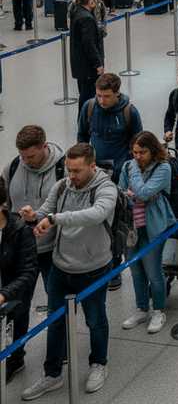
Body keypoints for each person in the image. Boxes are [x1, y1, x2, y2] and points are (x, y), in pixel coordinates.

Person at [21, 143, 118, 399]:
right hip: (60, 266)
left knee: (95, 320)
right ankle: (52, 374)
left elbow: (96, 215)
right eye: (69, 170)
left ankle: (99, 364)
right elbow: (46, 211)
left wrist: (55, 218)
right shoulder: (62, 185)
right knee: (55, 321)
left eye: (77, 170)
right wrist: (34, 216)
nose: (72, 176)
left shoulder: (106, 188)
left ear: (92, 166)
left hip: (94, 268)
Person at [118, 132, 175, 336]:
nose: (137, 157)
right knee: (136, 270)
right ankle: (142, 308)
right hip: (131, 227)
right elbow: (120, 193)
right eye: (134, 152)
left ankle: (158, 310)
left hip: (153, 226)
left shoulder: (163, 168)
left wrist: (135, 185)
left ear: (153, 151)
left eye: (142, 152)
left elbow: (142, 193)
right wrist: (134, 193)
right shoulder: (127, 166)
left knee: (153, 271)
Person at [3, 126, 65, 301]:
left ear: (44, 146)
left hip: (51, 250)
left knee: (56, 301)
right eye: (23, 156)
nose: (26, 161)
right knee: (17, 303)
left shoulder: (62, 168)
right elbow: (4, 201)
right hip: (19, 247)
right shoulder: (13, 166)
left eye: (31, 156)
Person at [0, 175, 39, 381]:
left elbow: (28, 272)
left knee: (13, 334)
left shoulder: (20, 231)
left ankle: (15, 359)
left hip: (11, 299)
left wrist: (4, 295)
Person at [77, 72, 143, 182]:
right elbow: (82, 136)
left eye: (107, 96)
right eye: (99, 95)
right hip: (96, 172)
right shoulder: (89, 107)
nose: (102, 101)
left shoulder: (130, 112)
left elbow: (138, 144)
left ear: (117, 93)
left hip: (121, 173)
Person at [69, 0, 105, 109]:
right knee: (88, 96)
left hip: (80, 65)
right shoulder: (87, 18)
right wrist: (98, 64)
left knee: (84, 94)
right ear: (90, 2)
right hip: (88, 67)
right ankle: (85, 122)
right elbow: (89, 43)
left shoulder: (77, 12)